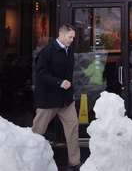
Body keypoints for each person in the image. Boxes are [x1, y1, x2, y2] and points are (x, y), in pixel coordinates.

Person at [32, 24, 81, 171]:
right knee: (37, 132)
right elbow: (41, 75)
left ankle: (75, 163)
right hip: (48, 100)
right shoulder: (47, 52)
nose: (72, 40)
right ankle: (31, 160)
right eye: (70, 37)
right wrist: (59, 82)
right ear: (61, 34)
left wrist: (69, 88)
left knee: (73, 129)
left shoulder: (69, 50)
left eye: (73, 37)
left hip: (66, 101)